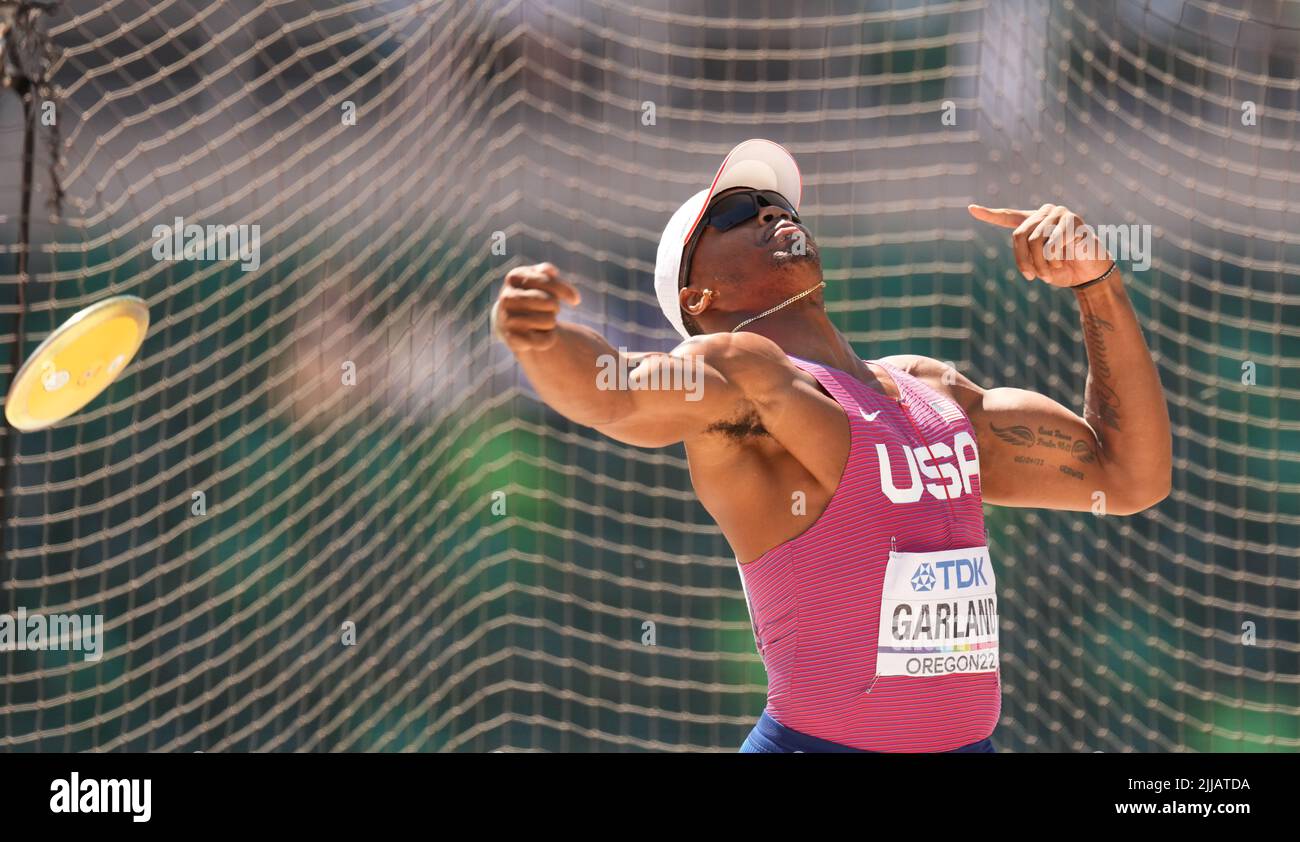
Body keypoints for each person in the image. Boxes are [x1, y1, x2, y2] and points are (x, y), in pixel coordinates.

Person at [491, 139, 1172, 752]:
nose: (766, 212)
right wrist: (538, 337)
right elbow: (614, 393)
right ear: (699, 298)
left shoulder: (931, 393)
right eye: (732, 214)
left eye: (772, 202)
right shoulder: (743, 375)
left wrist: (1097, 285)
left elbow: (1129, 474)